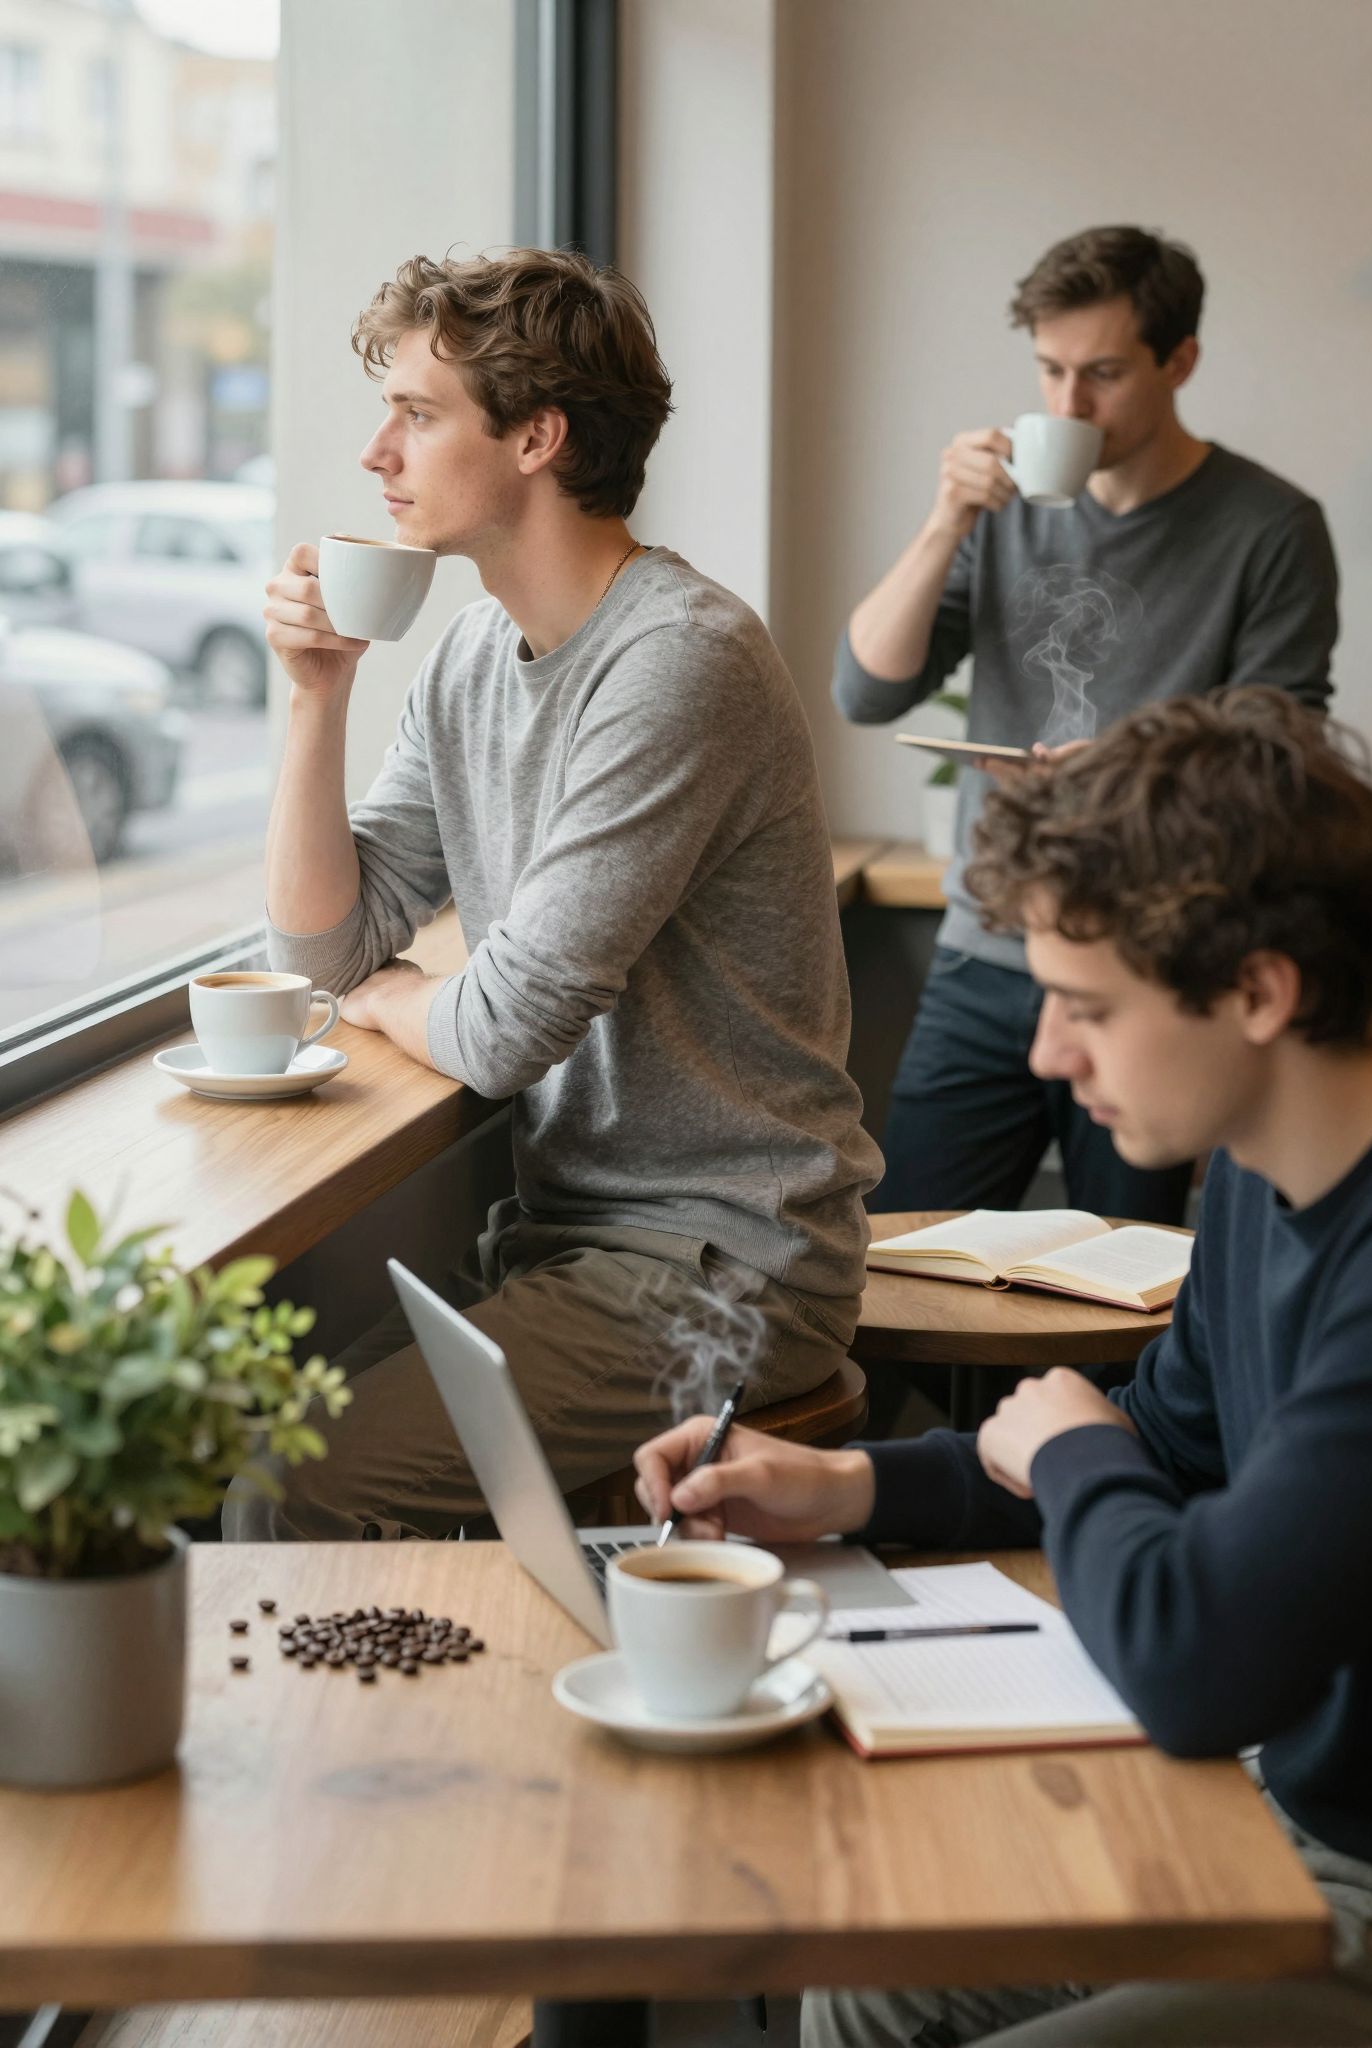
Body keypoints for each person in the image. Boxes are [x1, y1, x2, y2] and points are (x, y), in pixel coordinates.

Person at [635, 687, 1372, 2047]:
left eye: (1086, 1007)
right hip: (1291, 1815)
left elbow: (1196, 1658)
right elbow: (1164, 1448)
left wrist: (1073, 1450)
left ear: (1258, 991)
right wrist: (846, 1488)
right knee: (877, 1971)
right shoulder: (1264, 1165)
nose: (1048, 1054)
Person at [225, 248, 881, 1540]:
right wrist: (316, 697)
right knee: (259, 1462)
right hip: (571, 1245)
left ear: (538, 437)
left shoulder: (679, 662)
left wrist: (388, 1001)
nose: (376, 452)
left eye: (417, 414)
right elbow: (319, 955)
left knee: (290, 1494)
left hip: (727, 1271)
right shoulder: (474, 654)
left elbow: (498, 1032)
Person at [836, 225, 1339, 1227]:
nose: (1068, 405)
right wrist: (945, 523)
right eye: (1050, 370)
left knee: (1125, 1274)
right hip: (988, 948)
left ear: (1179, 361)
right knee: (905, 1252)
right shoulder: (1003, 511)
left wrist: (1132, 772)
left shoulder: (1271, 527)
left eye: (1103, 374)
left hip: (1157, 970)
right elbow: (867, 690)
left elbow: (1282, 765)